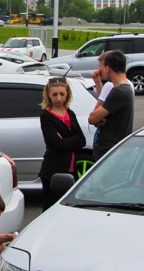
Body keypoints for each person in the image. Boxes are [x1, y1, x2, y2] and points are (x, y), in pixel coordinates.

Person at [39, 77, 86, 210]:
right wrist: (72, 139)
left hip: (71, 169)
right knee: (52, 207)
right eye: (54, 95)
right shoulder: (46, 117)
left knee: (70, 206)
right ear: (48, 95)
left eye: (62, 94)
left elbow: (82, 140)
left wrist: (65, 140)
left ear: (67, 94)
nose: (59, 98)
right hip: (53, 169)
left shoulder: (70, 113)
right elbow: (58, 145)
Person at [88, 50, 135, 161]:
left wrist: (98, 119)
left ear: (108, 68)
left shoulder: (118, 91)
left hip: (108, 151)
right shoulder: (126, 87)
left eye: (101, 66)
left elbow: (92, 118)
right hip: (113, 149)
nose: (99, 70)